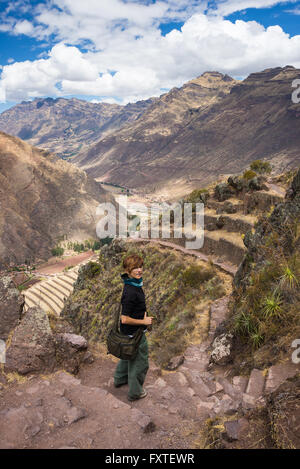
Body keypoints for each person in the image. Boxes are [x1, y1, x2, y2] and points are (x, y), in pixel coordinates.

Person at [113, 253, 154, 401]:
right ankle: (136, 392)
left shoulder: (132, 284)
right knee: (140, 362)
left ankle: (119, 379)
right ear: (128, 270)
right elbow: (124, 319)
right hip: (135, 334)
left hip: (127, 333)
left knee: (127, 355)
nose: (139, 270)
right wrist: (143, 322)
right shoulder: (131, 291)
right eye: (135, 268)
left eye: (140, 266)